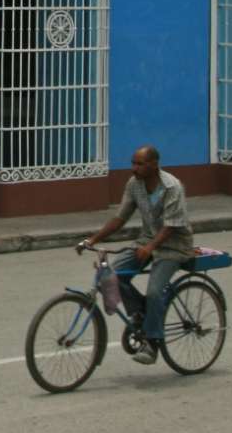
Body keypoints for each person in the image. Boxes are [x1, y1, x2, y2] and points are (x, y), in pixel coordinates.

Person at [78, 145, 194, 365]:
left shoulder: (172, 186)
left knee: (154, 292)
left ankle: (152, 343)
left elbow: (171, 226)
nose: (134, 168)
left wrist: (151, 248)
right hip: (146, 241)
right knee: (109, 277)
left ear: (154, 164)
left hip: (173, 246)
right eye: (133, 163)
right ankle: (142, 313)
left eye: (140, 164)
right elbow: (120, 218)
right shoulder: (134, 184)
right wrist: (93, 239)